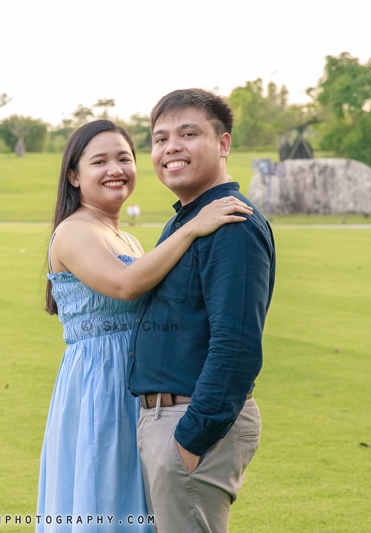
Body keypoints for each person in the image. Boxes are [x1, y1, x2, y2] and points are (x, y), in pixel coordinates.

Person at [36, 119, 253, 532]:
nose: (115, 169)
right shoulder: (73, 231)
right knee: (105, 496)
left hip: (136, 382)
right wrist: (192, 227)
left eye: (124, 158)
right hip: (99, 385)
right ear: (74, 176)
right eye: (99, 161)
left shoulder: (128, 240)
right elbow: (124, 284)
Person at [128, 89, 276, 533]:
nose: (170, 147)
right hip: (166, 421)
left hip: (189, 425)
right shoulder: (188, 221)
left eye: (188, 133)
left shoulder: (232, 226)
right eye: (160, 138)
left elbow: (237, 348)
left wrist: (189, 441)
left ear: (223, 144)